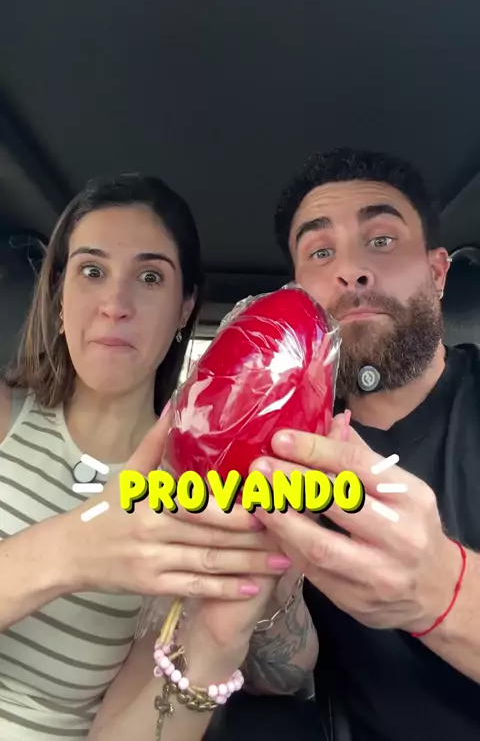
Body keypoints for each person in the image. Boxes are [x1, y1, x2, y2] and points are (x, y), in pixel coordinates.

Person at [0, 173, 316, 741]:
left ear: (184, 308)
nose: (115, 304)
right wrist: (66, 551)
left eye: (149, 277)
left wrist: (213, 646)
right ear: (59, 294)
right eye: (91, 271)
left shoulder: (188, 498)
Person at [239, 147, 480, 741]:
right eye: (321, 253)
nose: (350, 270)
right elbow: (280, 679)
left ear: (438, 273)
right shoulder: (278, 451)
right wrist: (270, 578)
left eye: (381, 241)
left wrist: (443, 592)